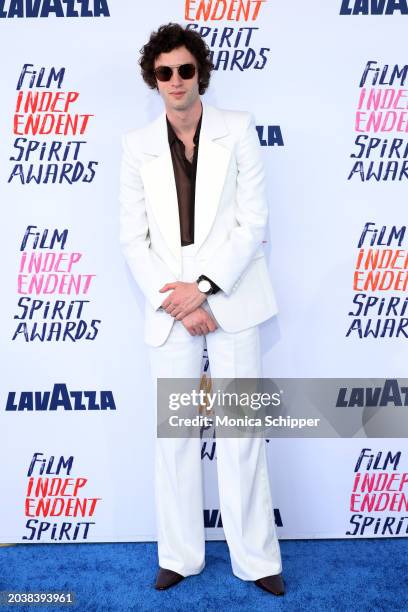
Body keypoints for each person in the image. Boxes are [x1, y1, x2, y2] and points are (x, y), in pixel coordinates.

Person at [119, 23, 284, 596]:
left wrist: (205, 288)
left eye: (185, 70)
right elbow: (132, 240)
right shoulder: (135, 146)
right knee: (176, 436)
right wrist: (181, 301)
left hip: (231, 296)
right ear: (153, 79)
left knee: (242, 431)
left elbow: (252, 222)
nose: (175, 81)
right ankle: (181, 555)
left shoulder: (237, 130)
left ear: (200, 74)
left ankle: (257, 559)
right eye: (164, 72)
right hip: (172, 309)